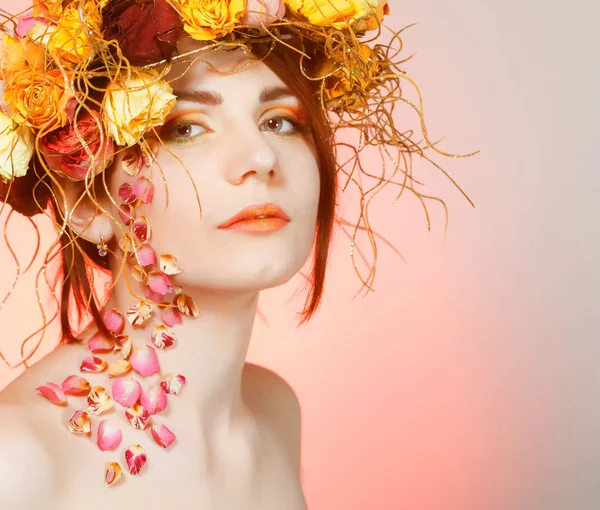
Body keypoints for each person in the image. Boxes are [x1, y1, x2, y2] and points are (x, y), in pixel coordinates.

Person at [0, 0, 476, 507]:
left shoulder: (275, 412)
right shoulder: (19, 461)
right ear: (87, 201)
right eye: (186, 126)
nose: (261, 157)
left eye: (280, 121)